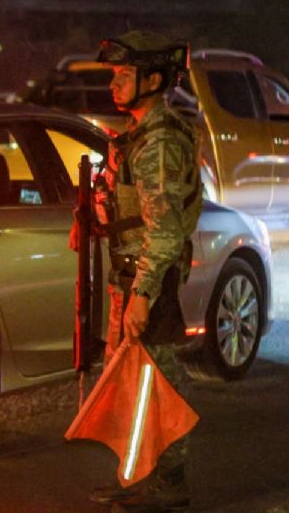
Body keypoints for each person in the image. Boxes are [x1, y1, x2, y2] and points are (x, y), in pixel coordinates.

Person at [84, 30, 204, 512]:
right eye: (114, 75)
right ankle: (138, 475)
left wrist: (143, 294)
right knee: (133, 383)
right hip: (132, 275)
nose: (115, 85)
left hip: (147, 280)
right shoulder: (139, 135)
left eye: (125, 76)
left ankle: (168, 480)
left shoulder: (159, 143)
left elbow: (167, 231)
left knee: (158, 381)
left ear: (154, 79)